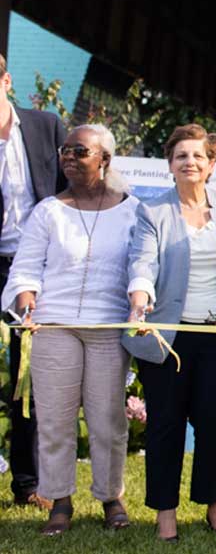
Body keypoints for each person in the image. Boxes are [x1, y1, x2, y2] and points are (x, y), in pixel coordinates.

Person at [124, 124, 216, 542]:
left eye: (198, 156)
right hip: (169, 338)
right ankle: (166, 512)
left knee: (215, 424)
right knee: (166, 424)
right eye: (181, 155)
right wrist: (138, 302)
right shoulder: (152, 211)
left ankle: (214, 505)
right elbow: (142, 264)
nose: (190, 162)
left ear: (211, 164)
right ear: (170, 164)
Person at [1, 124, 136, 534]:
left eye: (80, 151)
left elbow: (142, 267)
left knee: (108, 418)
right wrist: (25, 300)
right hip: (54, 325)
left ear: (104, 160)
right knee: (55, 420)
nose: (69, 158)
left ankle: (111, 496)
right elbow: (25, 269)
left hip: (108, 327)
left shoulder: (133, 210)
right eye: (65, 151)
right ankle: (59, 500)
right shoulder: (48, 211)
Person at [0, 53, 67, 510]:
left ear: (5, 80)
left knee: (30, 378)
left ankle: (28, 482)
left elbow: (71, 189)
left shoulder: (47, 127)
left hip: (40, 271)